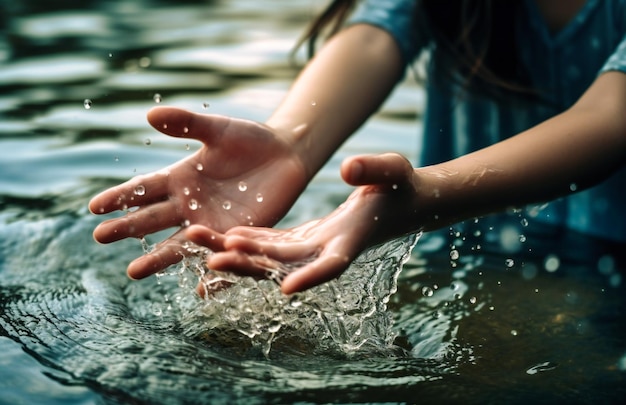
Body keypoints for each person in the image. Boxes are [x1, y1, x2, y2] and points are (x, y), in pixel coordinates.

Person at [89, 0, 626, 295]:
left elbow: (609, 118)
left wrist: (425, 194)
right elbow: (373, 33)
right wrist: (291, 142)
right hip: (469, 255)